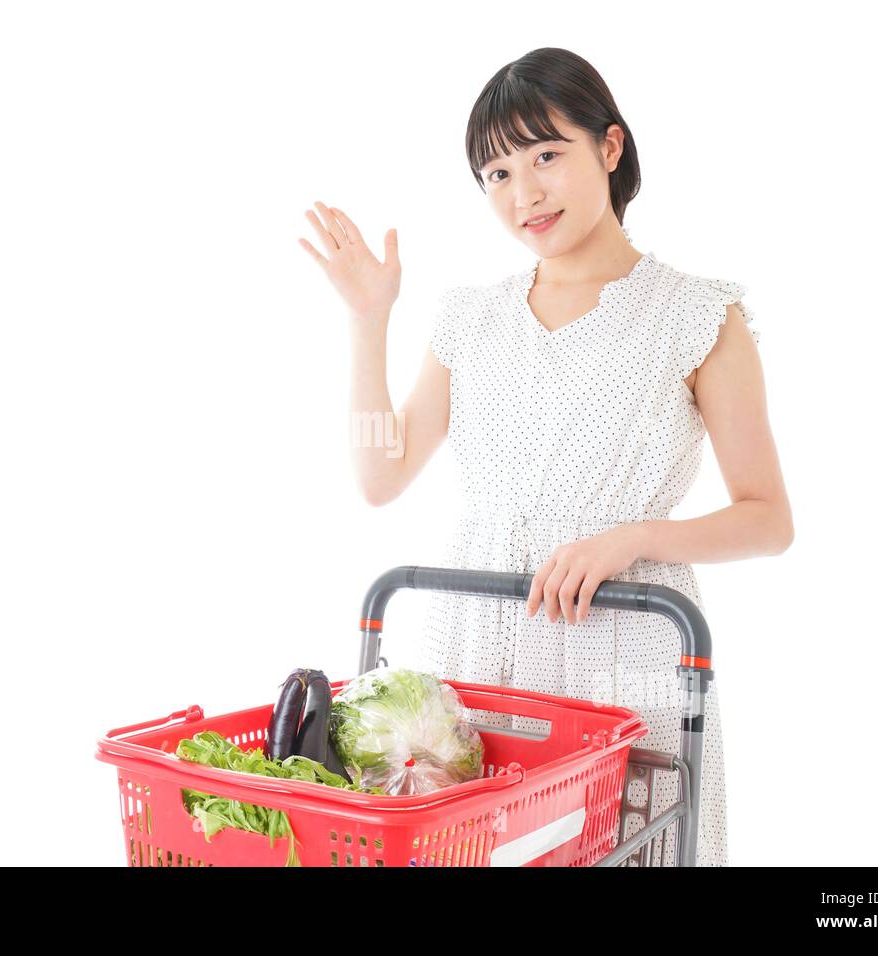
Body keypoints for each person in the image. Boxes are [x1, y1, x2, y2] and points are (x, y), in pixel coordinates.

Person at [297, 47, 792, 867]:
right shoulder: (469, 319)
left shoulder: (697, 315)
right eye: (494, 172)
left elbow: (768, 519)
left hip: (624, 641)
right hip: (479, 632)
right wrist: (368, 320)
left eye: (546, 155)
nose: (522, 192)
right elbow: (381, 475)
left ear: (610, 146)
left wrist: (631, 538)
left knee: (625, 839)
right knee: (474, 840)